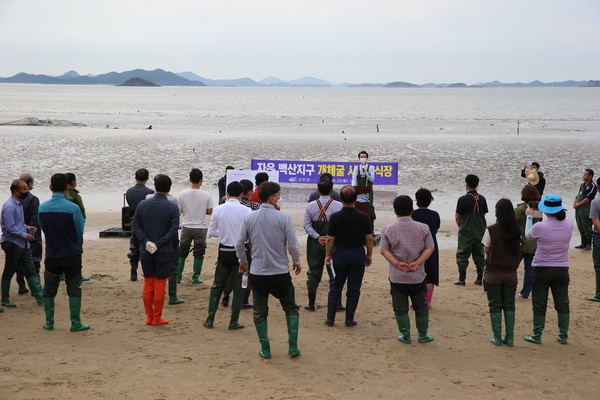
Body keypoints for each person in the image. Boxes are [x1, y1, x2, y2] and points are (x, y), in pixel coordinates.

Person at [235, 182, 302, 358]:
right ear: (271, 197)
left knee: (259, 311)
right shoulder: (284, 218)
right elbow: (293, 243)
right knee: (291, 308)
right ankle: (293, 347)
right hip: (280, 272)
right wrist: (297, 261)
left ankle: (266, 349)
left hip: (258, 272)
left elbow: (239, 243)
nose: (280, 197)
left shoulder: (250, 217)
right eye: (278, 194)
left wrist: (243, 261)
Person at [380, 195, 435, 344]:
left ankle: (406, 335)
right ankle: (422, 335)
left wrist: (397, 264)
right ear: (412, 209)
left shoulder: (387, 229)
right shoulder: (423, 227)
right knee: (421, 307)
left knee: (400, 308)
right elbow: (430, 248)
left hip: (398, 276)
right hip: (417, 275)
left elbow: (384, 251)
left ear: (395, 211)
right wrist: (417, 262)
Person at [39, 173, 89, 331]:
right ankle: (75, 323)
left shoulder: (42, 207)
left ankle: (49, 322)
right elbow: (79, 231)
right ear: (68, 186)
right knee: (74, 288)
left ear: (50, 187)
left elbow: (43, 227)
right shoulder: (73, 208)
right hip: (71, 253)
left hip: (53, 253)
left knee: (49, 288)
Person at [523, 194, 573, 344]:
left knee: (539, 303)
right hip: (562, 268)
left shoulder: (540, 226)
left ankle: (537, 335)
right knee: (562, 303)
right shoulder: (569, 224)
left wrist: (529, 217)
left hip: (541, 268)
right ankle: (563, 335)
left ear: (546, 210)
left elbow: (527, 236)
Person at [131, 174, 180, 326]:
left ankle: (149, 316)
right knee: (159, 283)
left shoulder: (142, 205)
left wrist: (146, 241)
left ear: (154, 187)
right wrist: (158, 243)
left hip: (145, 249)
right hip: (164, 250)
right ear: (169, 189)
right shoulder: (173, 207)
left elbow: (135, 226)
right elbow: (173, 231)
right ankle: (157, 317)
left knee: (148, 282)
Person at [204, 181, 251, 330]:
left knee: (218, 285)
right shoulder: (246, 211)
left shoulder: (219, 209)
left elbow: (211, 232)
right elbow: (250, 236)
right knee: (239, 287)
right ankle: (233, 321)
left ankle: (210, 319)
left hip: (224, 251)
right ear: (242, 194)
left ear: (227, 193)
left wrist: (223, 235)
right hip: (241, 252)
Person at [324, 185, 373, 327]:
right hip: (357, 253)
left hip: (340, 253)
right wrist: (369, 254)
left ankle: (330, 319)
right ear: (356, 198)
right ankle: (349, 319)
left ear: (340, 198)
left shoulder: (335, 217)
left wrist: (328, 254)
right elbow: (369, 238)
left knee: (335, 286)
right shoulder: (363, 217)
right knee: (354, 287)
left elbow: (330, 239)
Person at [481, 199, 521, 346]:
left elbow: (486, 249)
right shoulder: (517, 230)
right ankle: (509, 338)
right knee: (509, 305)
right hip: (511, 273)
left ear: (497, 212)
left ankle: (497, 338)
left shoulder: (491, 230)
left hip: (493, 273)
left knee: (495, 305)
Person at [1, 180, 44, 308]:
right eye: (24, 189)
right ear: (16, 191)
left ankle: (40, 296)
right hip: (12, 243)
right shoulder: (10, 206)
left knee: (30, 268)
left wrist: (27, 227)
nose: (27, 192)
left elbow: (17, 223)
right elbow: (10, 228)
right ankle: (5, 298)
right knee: (9, 270)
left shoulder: (18, 203)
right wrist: (25, 235)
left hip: (22, 243)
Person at [303, 178, 343, 311]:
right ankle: (337, 303)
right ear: (332, 191)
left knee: (313, 272)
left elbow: (306, 225)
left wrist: (318, 237)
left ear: (317, 190)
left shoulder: (310, 206)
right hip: (334, 243)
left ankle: (311, 303)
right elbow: (340, 226)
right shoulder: (339, 206)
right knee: (334, 272)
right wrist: (330, 238)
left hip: (315, 243)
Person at [221, 179, 258, 308]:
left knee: (230, 274)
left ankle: (225, 297)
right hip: (246, 243)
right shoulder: (253, 206)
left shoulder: (224, 205)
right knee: (246, 271)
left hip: (228, 243)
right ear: (245, 192)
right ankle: (244, 299)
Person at [177, 168, 214, 284]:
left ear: (190, 179)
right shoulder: (207, 195)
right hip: (200, 227)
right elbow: (209, 211)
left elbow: (179, 210)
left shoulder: (182, 194)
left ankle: (178, 276)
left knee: (182, 251)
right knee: (199, 252)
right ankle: (195, 277)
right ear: (201, 180)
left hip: (187, 226)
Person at [454, 174, 488, 286]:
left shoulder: (462, 199)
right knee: (479, 253)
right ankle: (479, 279)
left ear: (466, 185)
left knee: (462, 253)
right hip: (480, 230)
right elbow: (483, 215)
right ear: (477, 185)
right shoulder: (482, 198)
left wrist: (461, 226)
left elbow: (458, 216)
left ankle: (462, 279)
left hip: (466, 230)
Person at [411, 188, 440, 310]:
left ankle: (416, 301)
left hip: (414, 246)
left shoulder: (413, 214)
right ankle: (427, 302)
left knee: (415, 272)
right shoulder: (435, 215)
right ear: (430, 201)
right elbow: (436, 230)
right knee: (430, 273)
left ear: (416, 200)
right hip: (431, 246)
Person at [14, 173, 42, 295]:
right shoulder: (34, 200)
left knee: (19, 262)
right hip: (31, 234)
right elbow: (35, 220)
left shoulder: (14, 200)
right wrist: (32, 235)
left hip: (18, 235)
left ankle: (21, 286)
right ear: (29, 184)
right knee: (34, 262)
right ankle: (36, 288)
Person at [125, 168, 154, 281]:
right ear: (147, 179)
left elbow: (131, 206)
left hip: (134, 220)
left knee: (134, 245)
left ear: (135, 178)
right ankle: (146, 270)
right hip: (146, 221)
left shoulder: (129, 191)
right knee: (146, 244)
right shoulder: (150, 193)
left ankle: (133, 271)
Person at [514, 184, 542, 299]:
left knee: (512, 267)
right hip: (534, 244)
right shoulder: (539, 210)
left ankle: (510, 289)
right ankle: (525, 292)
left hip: (520, 243)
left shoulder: (520, 210)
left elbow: (512, 224)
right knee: (529, 269)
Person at [65, 172, 90, 281]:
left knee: (63, 249)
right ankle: (77, 274)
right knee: (77, 250)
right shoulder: (76, 196)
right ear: (72, 182)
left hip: (62, 227)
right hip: (74, 227)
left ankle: (61, 273)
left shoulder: (62, 195)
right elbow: (82, 211)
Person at [351, 150, 376, 231]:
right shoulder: (356, 168)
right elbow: (354, 179)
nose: (363, 158)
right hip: (359, 192)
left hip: (368, 191)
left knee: (369, 207)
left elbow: (372, 179)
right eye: (361, 157)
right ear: (359, 158)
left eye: (364, 157)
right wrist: (354, 189)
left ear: (367, 158)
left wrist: (366, 172)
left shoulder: (371, 168)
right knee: (359, 207)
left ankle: (370, 228)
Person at [573, 169, 597, 250]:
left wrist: (578, 204)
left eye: (585, 175)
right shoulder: (582, 185)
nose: (583, 176)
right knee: (580, 225)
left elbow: (589, 198)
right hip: (578, 209)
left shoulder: (593, 186)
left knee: (586, 225)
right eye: (583, 174)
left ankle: (589, 243)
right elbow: (577, 196)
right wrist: (574, 203)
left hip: (586, 209)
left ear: (590, 176)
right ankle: (583, 242)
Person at [586, 178, 600, 302]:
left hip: (599, 237)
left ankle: (599, 294)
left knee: (598, 266)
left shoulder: (596, 202)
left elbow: (596, 223)